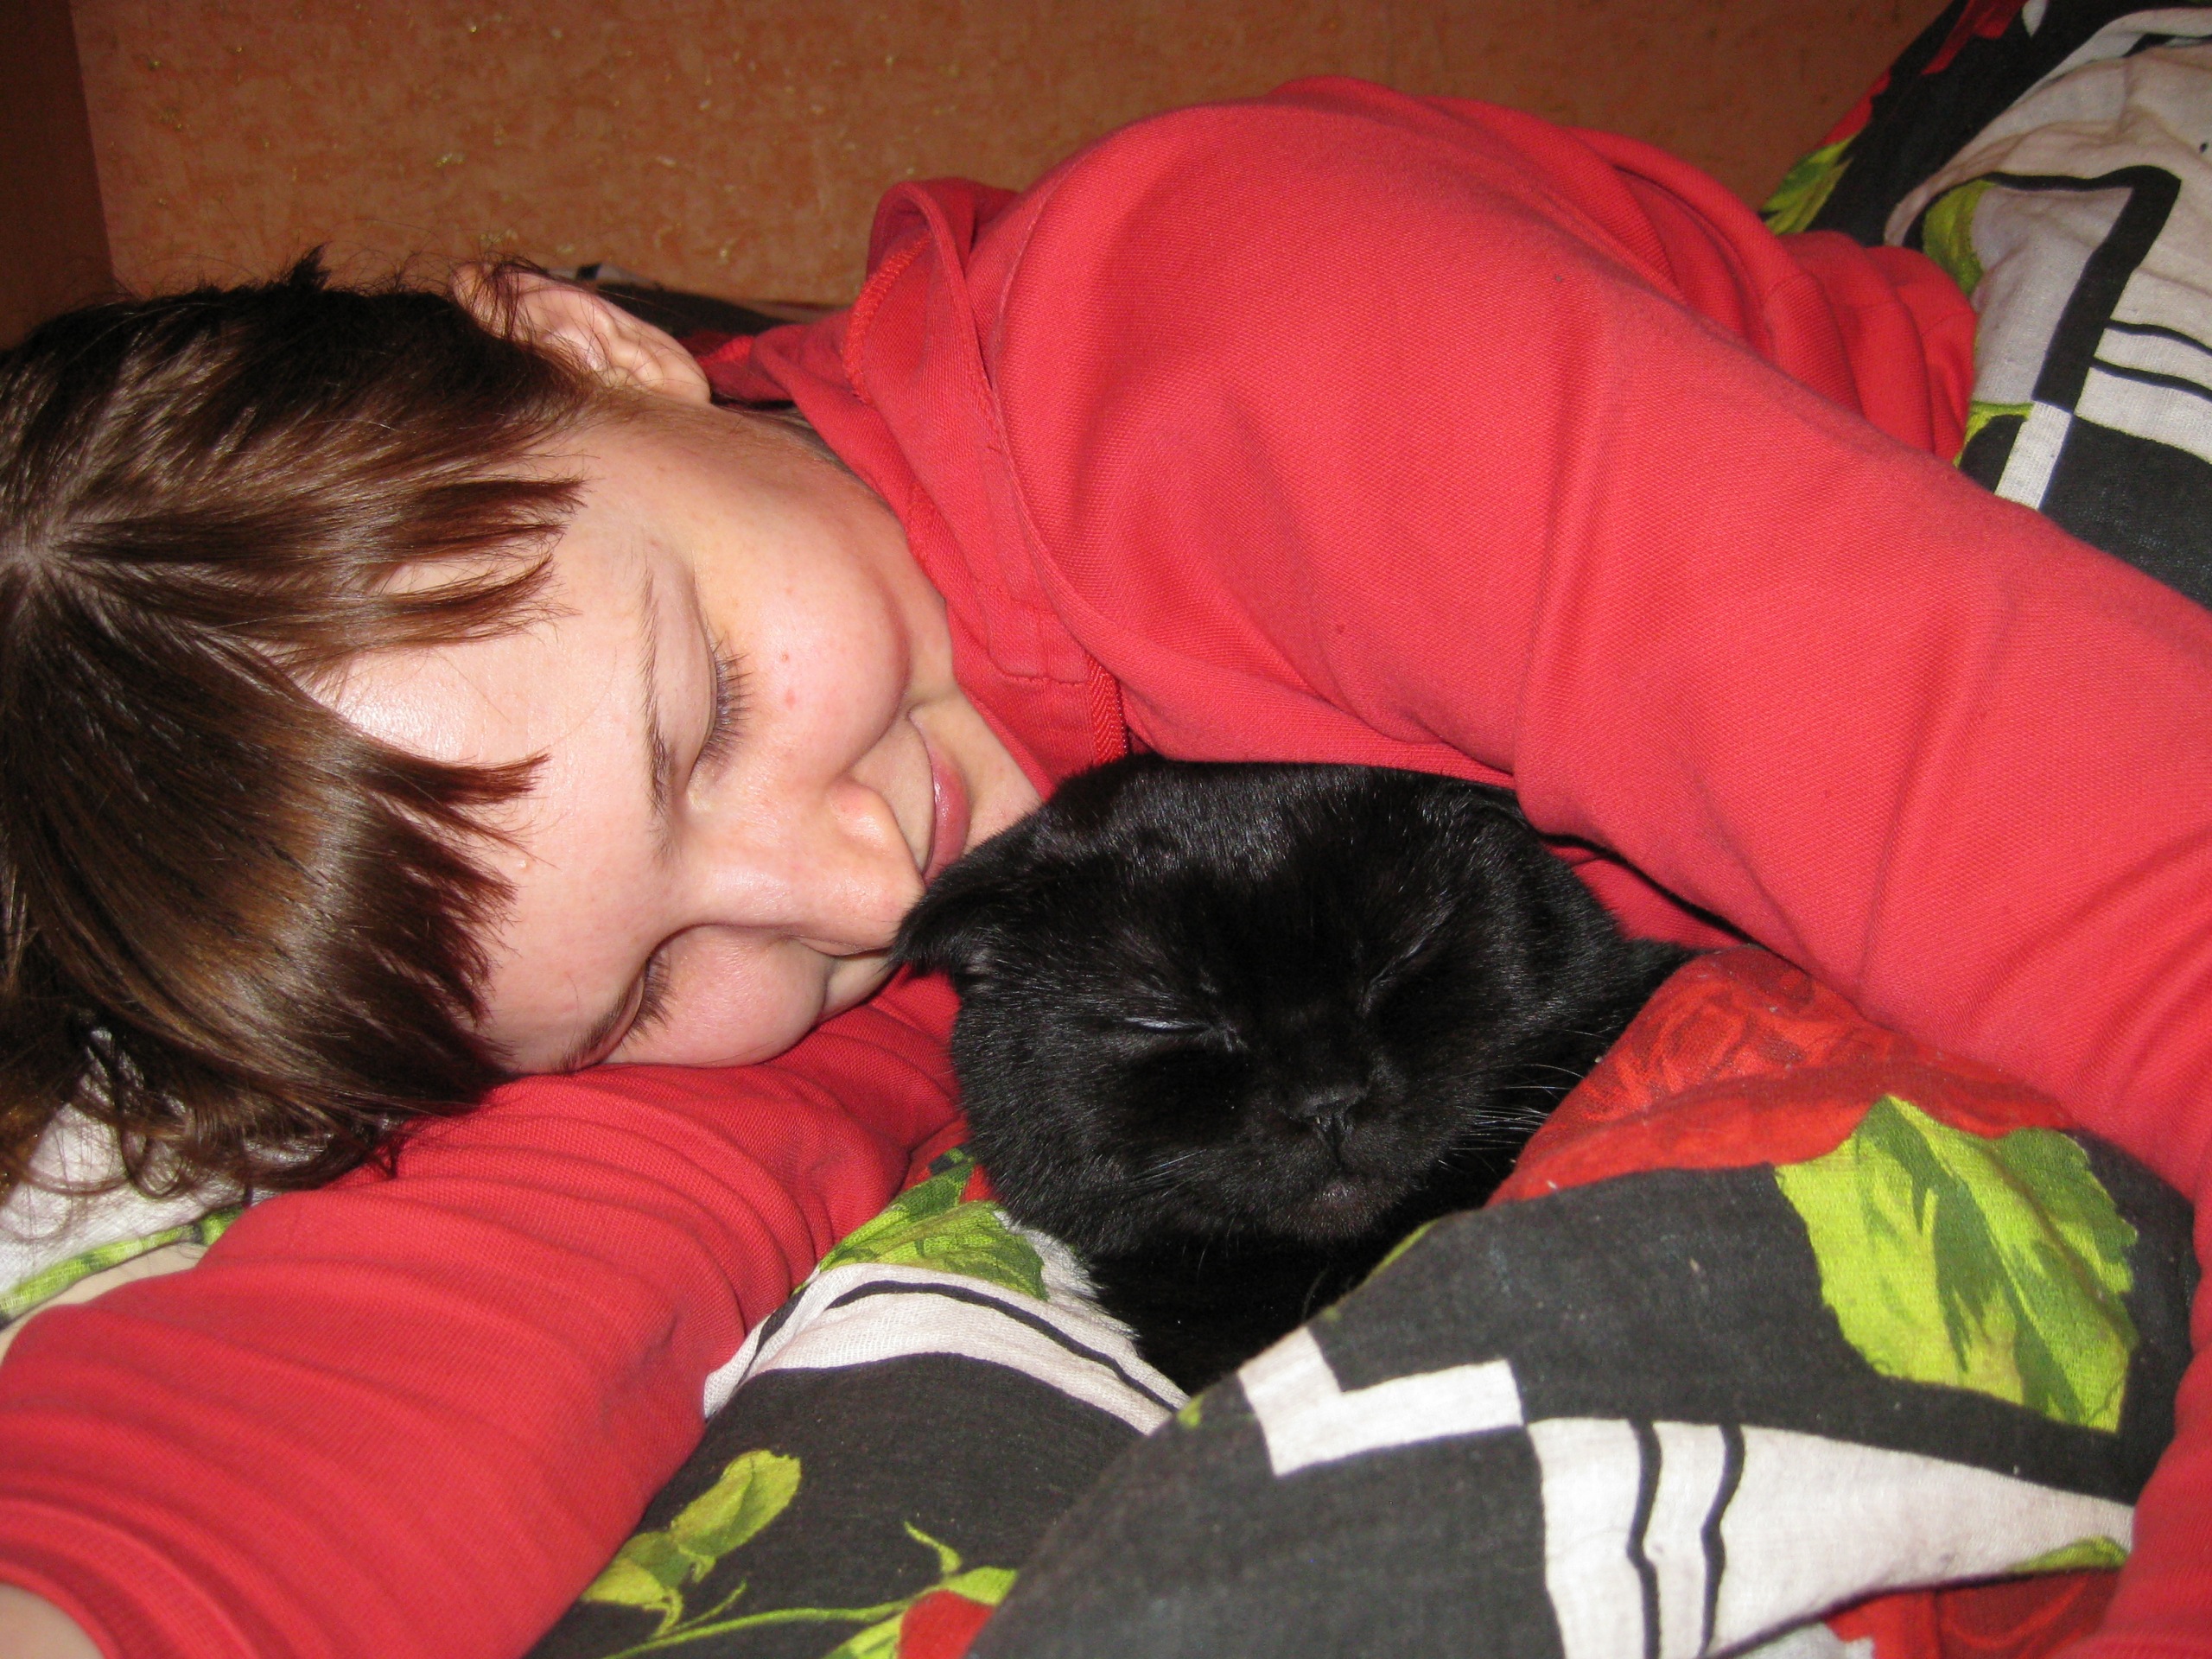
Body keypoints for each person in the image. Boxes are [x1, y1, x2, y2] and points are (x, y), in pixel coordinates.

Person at [0, 77, 2206, 1658]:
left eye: (707, 716)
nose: (847, 888)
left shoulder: (1248, 334)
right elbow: (502, 1283)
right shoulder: (861, 831)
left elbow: (2139, 894)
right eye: (650, 977)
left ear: (583, 346)